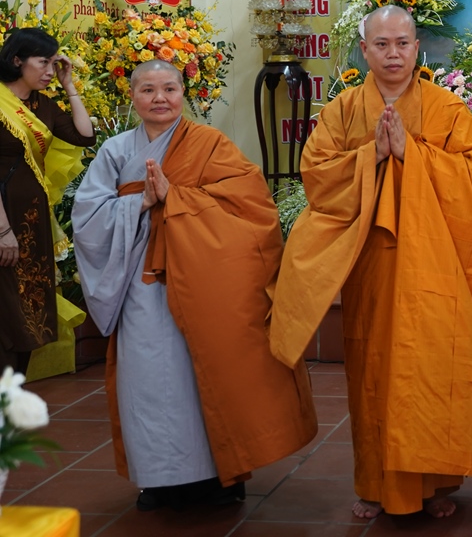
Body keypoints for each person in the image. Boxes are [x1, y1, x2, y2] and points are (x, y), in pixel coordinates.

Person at [268, 6, 472, 521]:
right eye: (381, 44)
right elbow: (316, 175)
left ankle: (438, 484)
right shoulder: (344, 110)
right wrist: (369, 156)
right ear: (364, 50)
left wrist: (413, 154)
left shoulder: (446, 109)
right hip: (373, 261)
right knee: (374, 371)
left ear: (417, 48)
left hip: (436, 263)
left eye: (401, 43)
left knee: (436, 366)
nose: (392, 54)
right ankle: (375, 485)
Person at [72, 60, 317, 511]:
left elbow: (252, 208)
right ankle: (160, 481)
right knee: (148, 384)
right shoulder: (114, 151)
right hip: (143, 288)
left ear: (183, 93)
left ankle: (219, 477)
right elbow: (87, 219)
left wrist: (176, 198)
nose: (159, 98)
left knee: (206, 378)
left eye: (169, 88)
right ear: (133, 96)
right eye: (148, 90)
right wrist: (139, 203)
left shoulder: (210, 144)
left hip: (205, 285)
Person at [0, 28, 94, 375]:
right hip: (3, 220)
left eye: (55, 64)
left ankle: (12, 388)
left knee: (30, 307)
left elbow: (84, 136)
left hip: (31, 221)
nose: (50, 71)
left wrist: (70, 86)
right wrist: (2, 230)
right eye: (43, 62)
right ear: (17, 60)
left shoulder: (42, 105)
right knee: (6, 307)